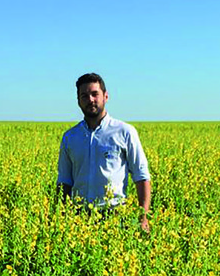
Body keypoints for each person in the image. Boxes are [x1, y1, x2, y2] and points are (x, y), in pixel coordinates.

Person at [57, 73, 152, 232]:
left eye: (95, 94)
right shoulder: (70, 137)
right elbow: (64, 181)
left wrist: (143, 217)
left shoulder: (125, 132)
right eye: (84, 96)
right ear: (78, 101)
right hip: (78, 218)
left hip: (115, 215)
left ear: (106, 96)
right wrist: (60, 217)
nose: (90, 100)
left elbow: (141, 176)